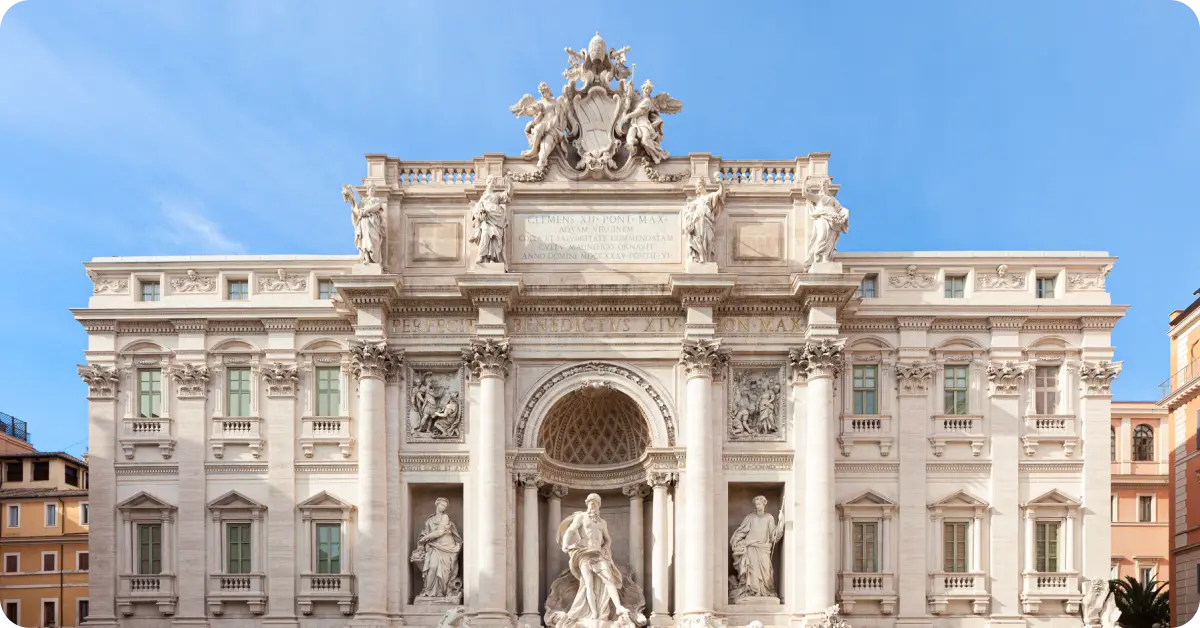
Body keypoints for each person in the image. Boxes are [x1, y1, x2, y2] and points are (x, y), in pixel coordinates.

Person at [559, 493, 629, 621]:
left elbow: (608, 539)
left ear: (599, 505)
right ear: (587, 504)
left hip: (598, 554)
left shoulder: (602, 522)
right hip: (584, 553)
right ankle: (594, 613)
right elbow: (570, 530)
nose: (593, 505)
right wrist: (565, 544)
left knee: (609, 578)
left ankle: (618, 607)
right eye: (591, 503)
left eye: (596, 503)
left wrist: (605, 548)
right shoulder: (581, 517)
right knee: (588, 583)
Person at [729, 496, 785, 601]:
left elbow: (773, 535)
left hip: (764, 548)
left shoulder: (769, 518)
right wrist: (736, 540)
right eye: (756, 504)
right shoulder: (750, 517)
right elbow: (742, 531)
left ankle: (765, 591)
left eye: (759, 504)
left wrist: (781, 522)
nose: (757, 506)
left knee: (766, 572)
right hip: (751, 547)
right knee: (752, 571)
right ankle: (753, 592)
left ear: (764, 504)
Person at [413, 497, 463, 599]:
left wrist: (424, 539)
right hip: (434, 546)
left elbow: (439, 532)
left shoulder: (445, 517)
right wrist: (422, 543)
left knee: (445, 572)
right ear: (437, 505)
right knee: (433, 567)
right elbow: (425, 533)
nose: (443, 507)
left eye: (445, 506)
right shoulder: (429, 520)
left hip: (446, 547)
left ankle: (441, 592)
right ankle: (428, 591)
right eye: (442, 505)